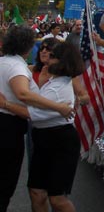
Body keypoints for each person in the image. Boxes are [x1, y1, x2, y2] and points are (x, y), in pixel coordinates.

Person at [0, 42, 84, 212]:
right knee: (36, 192)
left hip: (61, 142)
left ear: (62, 61)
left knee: (57, 198)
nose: (46, 57)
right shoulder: (52, 82)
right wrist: (41, 82)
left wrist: (5, 104)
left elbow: (32, 114)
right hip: (44, 140)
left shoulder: (59, 89)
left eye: (52, 56)